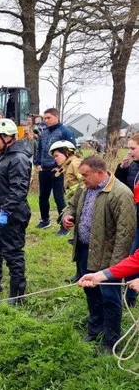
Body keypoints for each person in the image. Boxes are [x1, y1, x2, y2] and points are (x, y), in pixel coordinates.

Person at [61, 156, 135, 354]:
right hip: (86, 249)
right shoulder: (84, 187)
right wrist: (67, 216)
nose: (81, 178)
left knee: (110, 298)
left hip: (109, 257)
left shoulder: (120, 194)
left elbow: (125, 233)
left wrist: (115, 266)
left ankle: (111, 341)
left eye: (85, 174)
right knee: (90, 291)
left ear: (99, 173)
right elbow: (72, 205)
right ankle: (95, 330)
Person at [0, 119, 33, 305]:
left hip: (13, 215)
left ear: (8, 137)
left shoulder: (19, 158)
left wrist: (5, 211)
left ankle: (17, 297)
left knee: (13, 254)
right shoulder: (5, 156)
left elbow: (18, 189)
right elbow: (2, 186)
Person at [34, 108, 76, 229]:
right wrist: (38, 163)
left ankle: (64, 225)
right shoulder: (44, 132)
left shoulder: (65, 132)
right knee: (43, 197)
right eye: (44, 118)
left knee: (58, 197)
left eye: (48, 118)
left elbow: (72, 152)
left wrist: (62, 168)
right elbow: (40, 149)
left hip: (58, 170)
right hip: (44, 169)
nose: (46, 120)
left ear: (56, 117)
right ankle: (45, 220)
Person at [115, 133, 139, 305]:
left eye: (133, 148)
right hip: (133, 215)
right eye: (128, 148)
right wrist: (122, 168)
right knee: (130, 253)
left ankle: (130, 296)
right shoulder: (132, 165)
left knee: (134, 255)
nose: (129, 152)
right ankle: (128, 293)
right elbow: (121, 184)